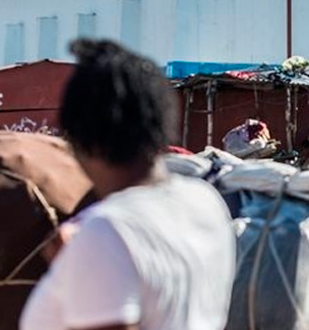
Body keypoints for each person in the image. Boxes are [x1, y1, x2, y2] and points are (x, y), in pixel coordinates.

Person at [20, 40, 236, 330]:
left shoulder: (108, 230)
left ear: (82, 138)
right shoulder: (206, 201)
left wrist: (91, 252)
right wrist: (80, 266)